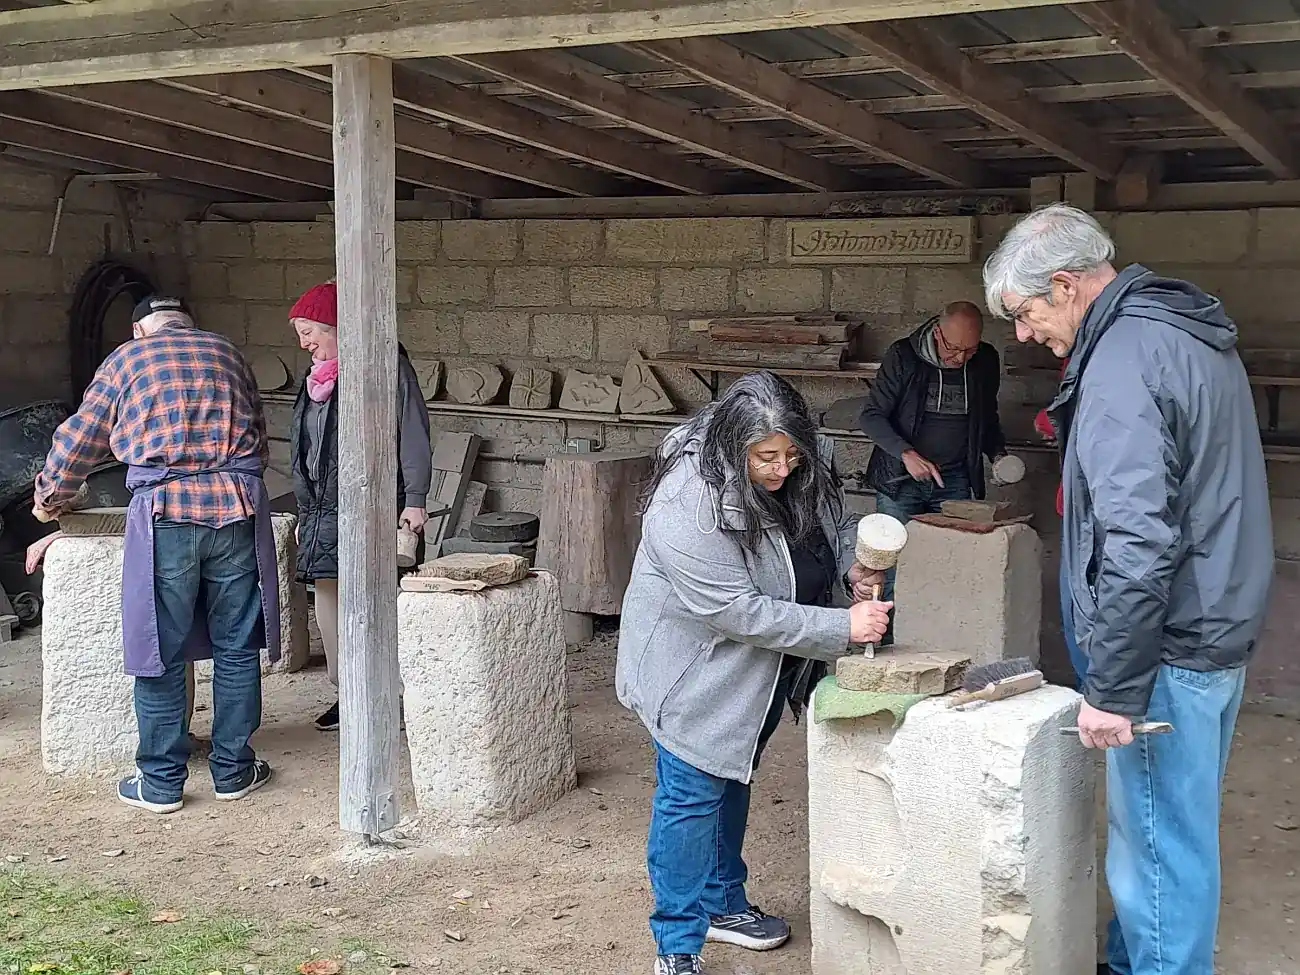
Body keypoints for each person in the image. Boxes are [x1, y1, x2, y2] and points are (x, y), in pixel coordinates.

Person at [983, 204, 1273, 975]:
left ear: (1068, 284)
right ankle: (1128, 955)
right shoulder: (1184, 332)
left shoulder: (1119, 362)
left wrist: (1112, 687)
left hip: (1166, 646)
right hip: (1210, 623)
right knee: (1170, 824)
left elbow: (1139, 543)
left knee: (1157, 838)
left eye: (1025, 311)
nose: (1021, 331)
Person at [616, 371, 893, 975]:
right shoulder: (688, 501)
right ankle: (678, 943)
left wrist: (851, 568)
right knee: (692, 792)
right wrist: (842, 629)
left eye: (792, 454)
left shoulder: (802, 454)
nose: (782, 469)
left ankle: (722, 904)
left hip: (762, 671)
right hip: (695, 670)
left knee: (733, 772)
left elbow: (835, 520)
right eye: (766, 458)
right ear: (730, 448)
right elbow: (734, 611)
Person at [33, 296, 281, 814]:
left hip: (166, 514)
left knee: (158, 649)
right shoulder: (226, 352)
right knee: (237, 645)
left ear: (140, 329)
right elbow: (260, 435)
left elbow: (80, 438)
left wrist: (51, 498)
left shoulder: (127, 358)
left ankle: (162, 782)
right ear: (190, 325)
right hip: (236, 508)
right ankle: (234, 772)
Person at [287, 281, 432, 731]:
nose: (303, 341)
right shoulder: (316, 383)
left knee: (377, 603)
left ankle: (392, 697)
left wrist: (415, 500)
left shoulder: (386, 368)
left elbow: (412, 434)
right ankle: (348, 693)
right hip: (322, 512)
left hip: (373, 506)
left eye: (309, 330)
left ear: (336, 327)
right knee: (328, 605)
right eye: (299, 332)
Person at [858, 300, 1008, 643]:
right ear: (937, 333)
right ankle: (882, 649)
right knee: (891, 570)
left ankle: (939, 649)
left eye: (969, 350)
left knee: (950, 567)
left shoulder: (984, 361)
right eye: (954, 348)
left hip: (954, 479)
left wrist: (998, 454)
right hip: (900, 481)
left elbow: (987, 417)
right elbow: (871, 415)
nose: (960, 358)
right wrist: (906, 453)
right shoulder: (904, 356)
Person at [1032, 358, 1089, 689]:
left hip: (1088, 514)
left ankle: (1093, 693)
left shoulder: (1093, 356)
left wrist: (1048, 422)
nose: (1026, 335)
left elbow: (1055, 415)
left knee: (1079, 611)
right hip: (1082, 508)